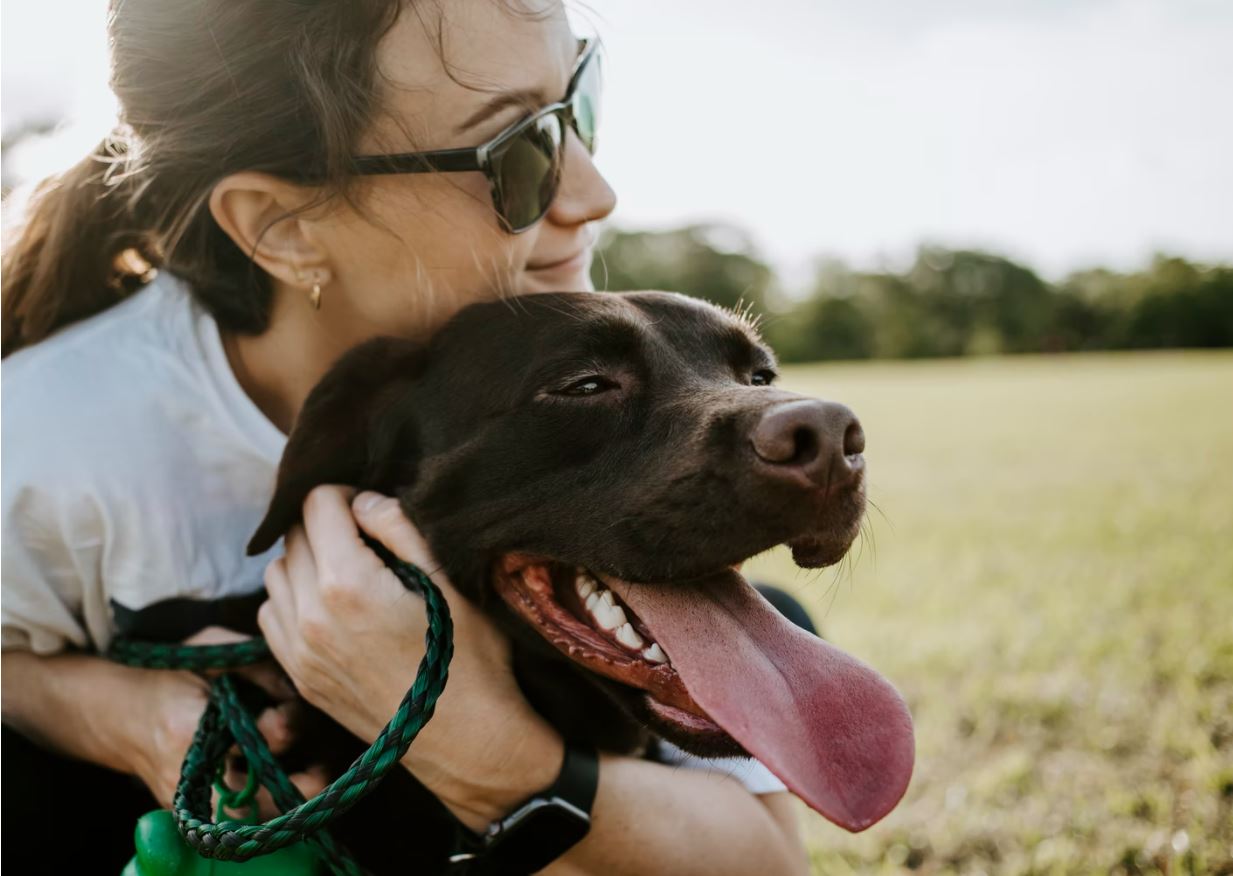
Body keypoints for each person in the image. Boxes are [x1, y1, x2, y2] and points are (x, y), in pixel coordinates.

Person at [1, 1, 812, 873]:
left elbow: (765, 863)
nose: (593, 192)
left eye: (580, 100)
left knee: (772, 616)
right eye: (517, 151)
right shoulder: (46, 440)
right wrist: (134, 717)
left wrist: (475, 740)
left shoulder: (575, 332)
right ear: (284, 226)